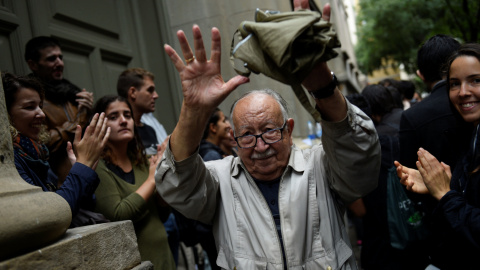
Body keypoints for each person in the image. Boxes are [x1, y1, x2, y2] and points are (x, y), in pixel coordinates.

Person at [155, 1, 381, 269]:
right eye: (247, 136)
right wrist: (193, 112)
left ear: (289, 129)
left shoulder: (321, 166)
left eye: (270, 131)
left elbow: (360, 159)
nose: (260, 147)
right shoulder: (220, 180)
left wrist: (323, 87)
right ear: (234, 139)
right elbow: (177, 186)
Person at [395, 43, 480, 270]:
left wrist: (444, 193)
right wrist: (437, 184)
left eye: (476, 80)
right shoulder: (472, 133)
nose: (463, 92)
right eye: (454, 84)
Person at [4, 72, 109, 224]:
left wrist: (84, 171)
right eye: (29, 107)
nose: (41, 114)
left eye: (40, 106)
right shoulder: (10, 160)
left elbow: (81, 206)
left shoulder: (37, 152)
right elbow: (53, 214)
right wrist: (82, 167)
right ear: (6, 114)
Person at [92, 95, 175, 269]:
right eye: (113, 117)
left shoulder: (143, 162)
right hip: (134, 263)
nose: (123, 121)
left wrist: (164, 179)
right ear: (99, 125)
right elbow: (118, 215)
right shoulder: (97, 166)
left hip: (163, 256)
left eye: (127, 115)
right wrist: (152, 180)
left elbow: (161, 215)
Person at [24, 36, 94, 186]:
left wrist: (91, 112)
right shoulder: (31, 102)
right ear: (33, 65)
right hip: (60, 183)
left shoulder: (72, 94)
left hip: (90, 175)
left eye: (60, 58)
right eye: (51, 59)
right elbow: (43, 143)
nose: (60, 63)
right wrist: (79, 120)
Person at [117, 68, 161, 155]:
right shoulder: (122, 130)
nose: (156, 96)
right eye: (150, 90)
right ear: (133, 92)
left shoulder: (150, 130)